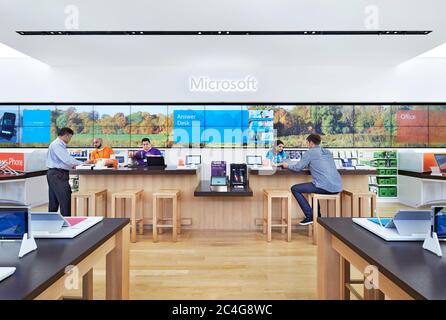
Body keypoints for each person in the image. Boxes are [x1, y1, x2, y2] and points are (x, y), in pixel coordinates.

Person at [280, 134, 342, 226]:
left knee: (295, 188)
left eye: (307, 143)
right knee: (313, 189)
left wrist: (287, 165)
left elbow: (298, 168)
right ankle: (318, 217)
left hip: (324, 186)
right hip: (337, 186)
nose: (307, 145)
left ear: (311, 143)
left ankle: (310, 216)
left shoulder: (310, 152)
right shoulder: (328, 152)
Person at [46, 127, 83, 216]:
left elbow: (65, 161)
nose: (70, 139)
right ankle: (67, 223)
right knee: (65, 200)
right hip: (58, 175)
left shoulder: (58, 144)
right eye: (70, 137)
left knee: (54, 202)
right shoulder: (57, 145)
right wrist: (83, 163)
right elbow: (67, 160)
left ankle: (52, 224)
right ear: (66, 135)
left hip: (55, 174)